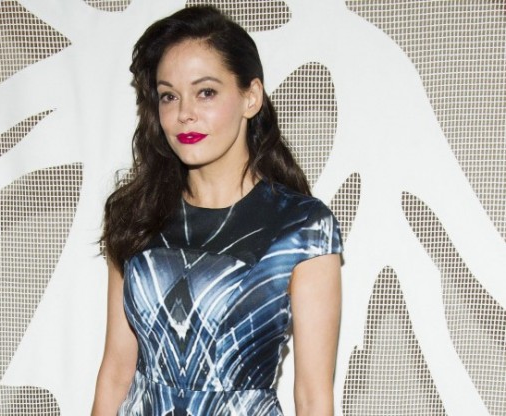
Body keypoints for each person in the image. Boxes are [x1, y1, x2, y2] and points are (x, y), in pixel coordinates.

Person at [92, 5, 342, 416]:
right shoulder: (135, 216)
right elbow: (117, 372)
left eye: (205, 92)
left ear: (250, 97)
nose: (184, 113)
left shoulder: (302, 228)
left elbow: (313, 398)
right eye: (169, 96)